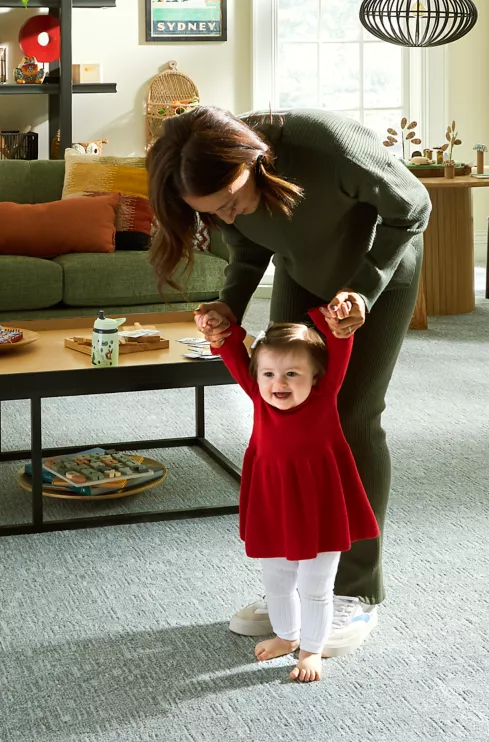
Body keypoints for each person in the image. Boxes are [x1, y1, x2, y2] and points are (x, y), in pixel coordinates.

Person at [147, 107, 429, 657]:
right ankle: (303, 587)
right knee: (283, 418)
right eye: (214, 213)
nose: (229, 213)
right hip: (302, 274)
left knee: (350, 418)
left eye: (231, 199)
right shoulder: (221, 188)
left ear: (253, 159)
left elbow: (413, 206)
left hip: (376, 277)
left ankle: (354, 590)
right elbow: (251, 243)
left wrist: (363, 290)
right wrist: (229, 303)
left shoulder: (325, 146)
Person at [212, 303, 376, 682]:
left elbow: (340, 345)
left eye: (291, 374)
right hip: (274, 504)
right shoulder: (258, 397)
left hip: (320, 506)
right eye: (268, 374)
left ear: (316, 377)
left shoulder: (325, 395)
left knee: (316, 587)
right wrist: (218, 330)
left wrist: (336, 322)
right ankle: (287, 636)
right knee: (277, 581)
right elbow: (232, 352)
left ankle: (312, 648)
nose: (278, 384)